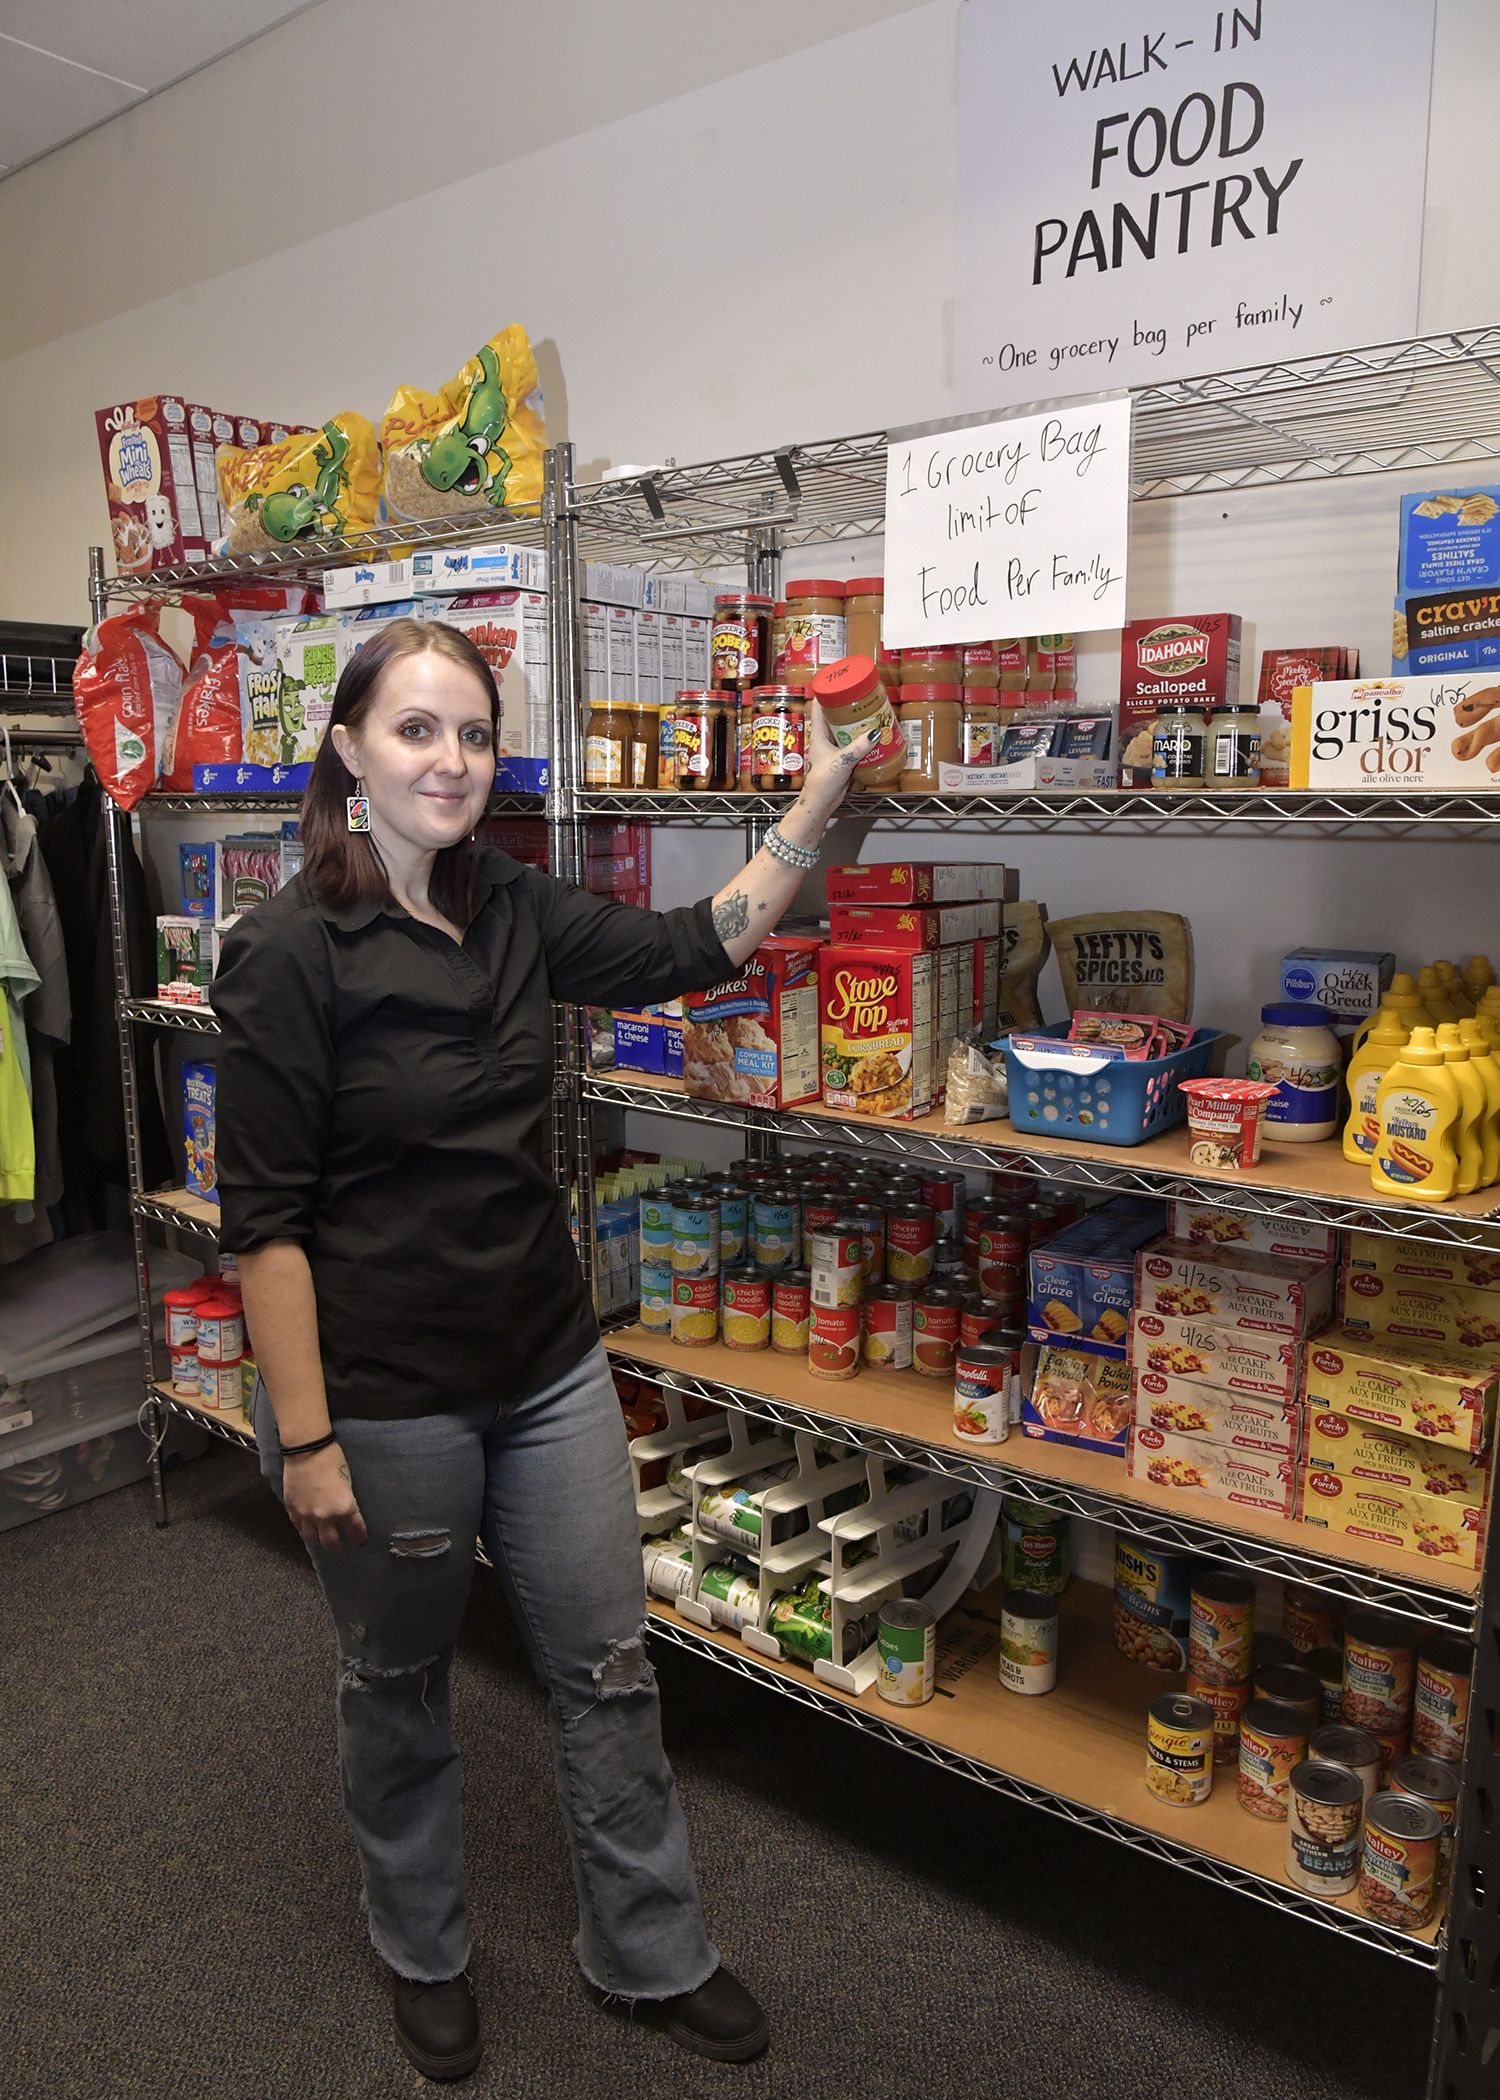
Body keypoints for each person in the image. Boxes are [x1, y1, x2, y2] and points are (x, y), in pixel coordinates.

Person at [212, 616, 878, 2082]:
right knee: (398, 1682)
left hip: (547, 1366)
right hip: (384, 1399)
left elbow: (696, 945)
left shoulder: (506, 902)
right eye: (415, 730)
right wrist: (308, 1438)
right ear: (347, 749)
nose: (450, 761)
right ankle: (422, 1941)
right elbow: (262, 1230)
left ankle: (648, 1951)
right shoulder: (285, 953)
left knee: (610, 1665)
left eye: (472, 733)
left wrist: (814, 805)